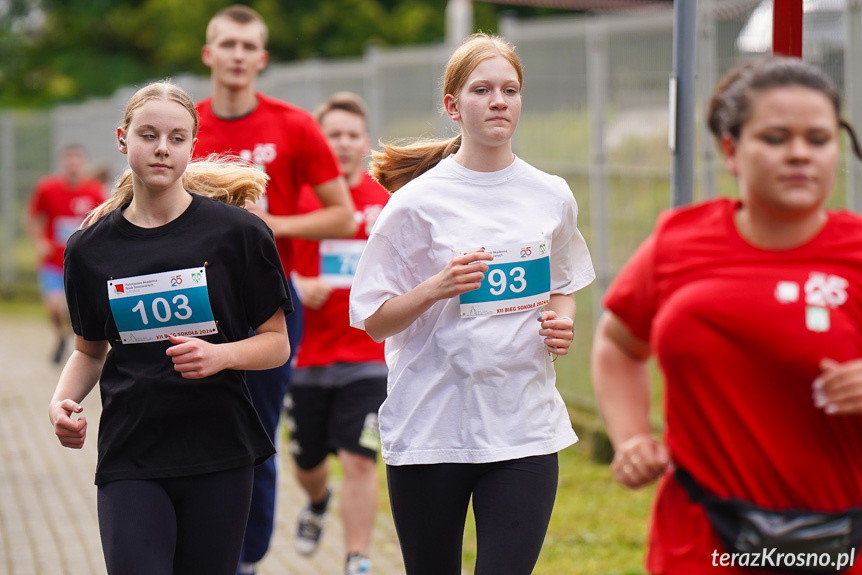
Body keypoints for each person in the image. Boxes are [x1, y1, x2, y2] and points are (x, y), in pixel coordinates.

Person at [591, 56, 862, 574]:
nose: (800, 154)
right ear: (731, 150)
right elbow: (619, 344)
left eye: (819, 139)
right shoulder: (678, 243)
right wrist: (630, 439)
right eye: (777, 138)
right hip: (702, 541)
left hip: (843, 543)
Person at [349, 33, 595, 575]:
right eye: (482, 90)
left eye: (510, 89)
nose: (499, 101)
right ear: (453, 106)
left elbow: (564, 281)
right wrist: (435, 288)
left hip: (522, 426)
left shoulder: (550, 193)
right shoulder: (415, 203)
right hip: (433, 425)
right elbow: (371, 319)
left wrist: (562, 321)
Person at [47, 80, 292, 575]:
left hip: (220, 452)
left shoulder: (238, 234)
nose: (162, 148)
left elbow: (276, 344)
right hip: (131, 453)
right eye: (149, 134)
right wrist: (60, 402)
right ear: (123, 139)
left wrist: (221, 355)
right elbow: (89, 351)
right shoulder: (89, 249)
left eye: (177, 138)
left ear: (192, 146)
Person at [193, 6, 357, 574]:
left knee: (255, 436)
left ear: (261, 59)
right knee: (189, 431)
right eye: (227, 44)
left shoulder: (293, 126)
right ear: (208, 54)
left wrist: (268, 225)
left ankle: (247, 558)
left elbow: (341, 216)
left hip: (267, 304)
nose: (237, 55)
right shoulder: (185, 126)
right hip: (192, 301)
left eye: (248, 46)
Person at [288, 92, 390, 575]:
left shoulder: (385, 203)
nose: (344, 144)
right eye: (334, 136)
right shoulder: (301, 200)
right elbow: (265, 261)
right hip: (305, 354)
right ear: (318, 143)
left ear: (365, 142)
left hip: (368, 356)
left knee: (360, 459)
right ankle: (317, 500)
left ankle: (357, 558)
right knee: (308, 465)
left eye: (353, 135)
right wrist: (296, 283)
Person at [25, 144, 106, 364]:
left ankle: (82, 344)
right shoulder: (47, 188)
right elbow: (31, 218)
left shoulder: (94, 190)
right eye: (68, 160)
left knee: (79, 308)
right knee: (54, 307)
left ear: (83, 164)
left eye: (77, 160)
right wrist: (40, 241)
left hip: (82, 262)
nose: (72, 165)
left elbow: (104, 221)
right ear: (62, 163)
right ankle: (61, 336)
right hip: (53, 260)